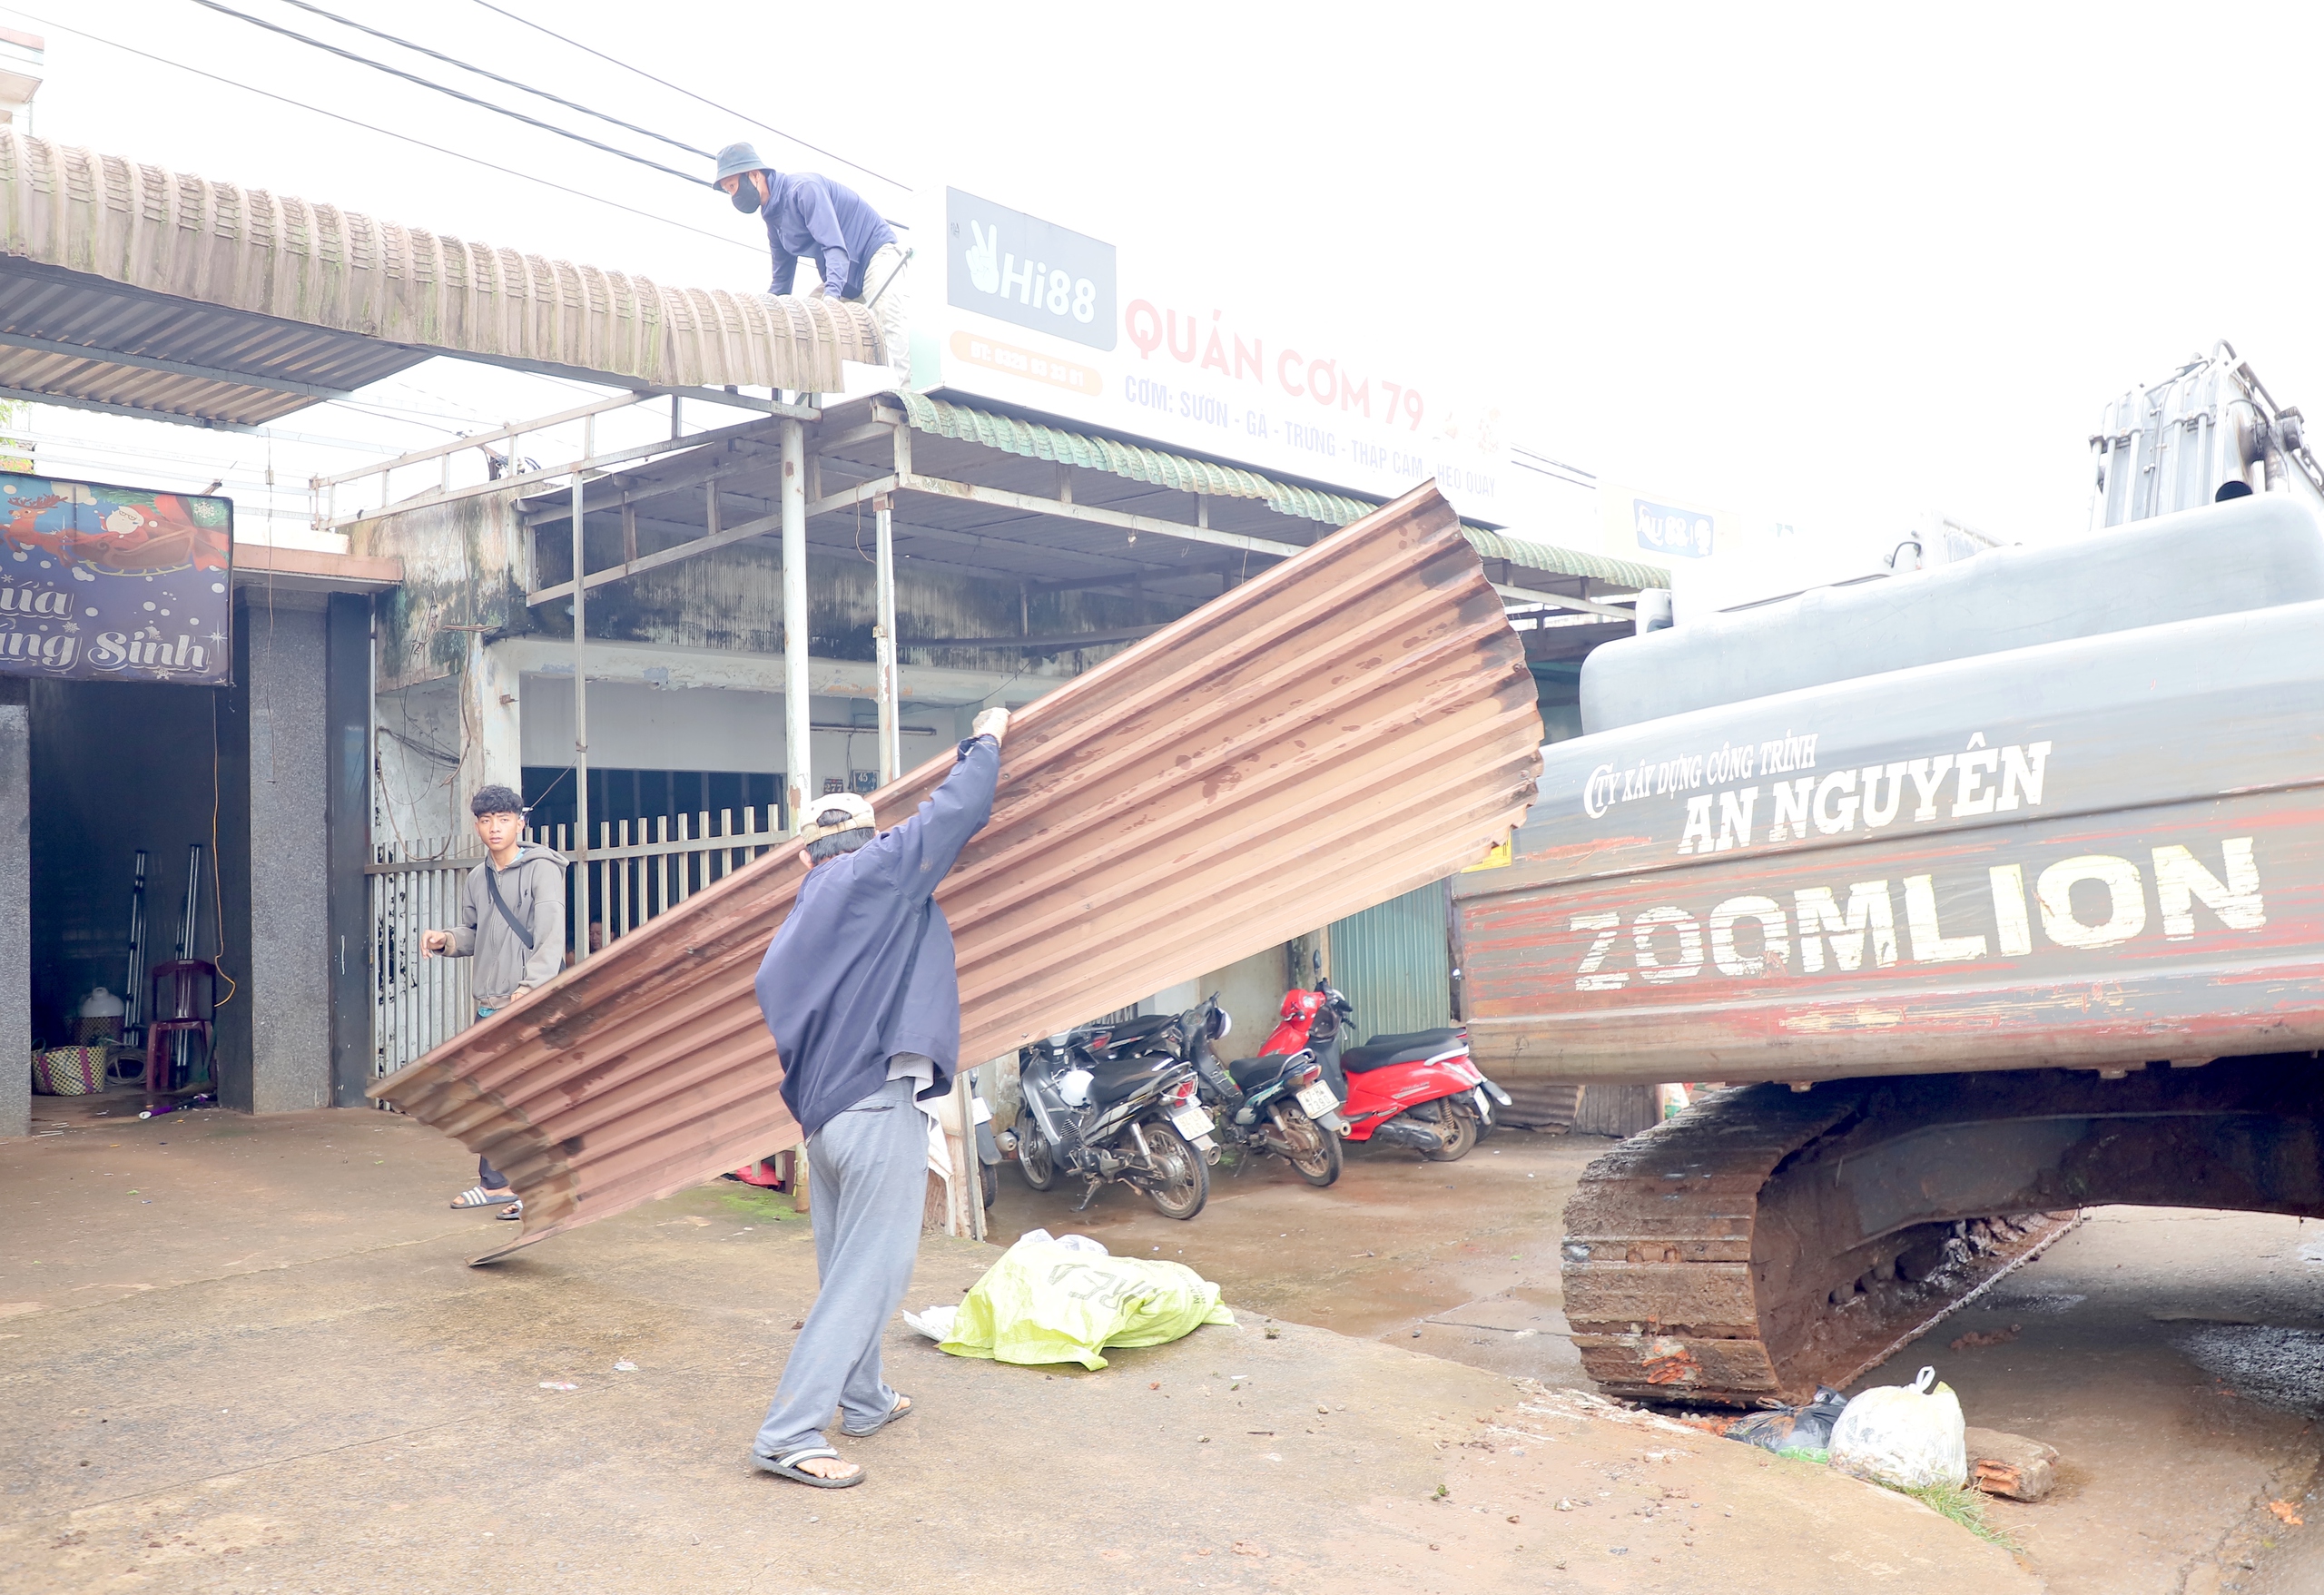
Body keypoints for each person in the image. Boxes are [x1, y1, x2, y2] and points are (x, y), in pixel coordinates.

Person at [747, 705, 1009, 1487]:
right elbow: (958, 809)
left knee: (845, 1268)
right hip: (876, 1105)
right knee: (873, 1274)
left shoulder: (799, 919)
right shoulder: (882, 873)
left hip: (823, 1121)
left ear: (804, 855)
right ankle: (789, 1432)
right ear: (871, 837)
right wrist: (987, 738)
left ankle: (863, 1399)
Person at [421, 784, 567, 1221]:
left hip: (528, 1001)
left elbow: (550, 934)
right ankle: (496, 1184)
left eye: (503, 819)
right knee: (489, 1095)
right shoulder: (477, 877)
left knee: (531, 1096)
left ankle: (539, 1188)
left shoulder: (543, 870)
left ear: (520, 822)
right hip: (489, 1001)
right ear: (477, 826)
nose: (494, 828)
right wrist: (446, 939)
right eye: (486, 821)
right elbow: (475, 933)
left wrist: (532, 987)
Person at [714, 142, 911, 381]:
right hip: (845, 277)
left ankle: (912, 391)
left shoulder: (804, 190)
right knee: (805, 321)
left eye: (732, 186)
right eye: (728, 191)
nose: (733, 195)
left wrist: (831, 297)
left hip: (875, 254)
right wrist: (758, 314)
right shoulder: (773, 220)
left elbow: (834, 246)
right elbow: (781, 284)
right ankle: (805, 392)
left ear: (754, 175)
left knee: (889, 314)